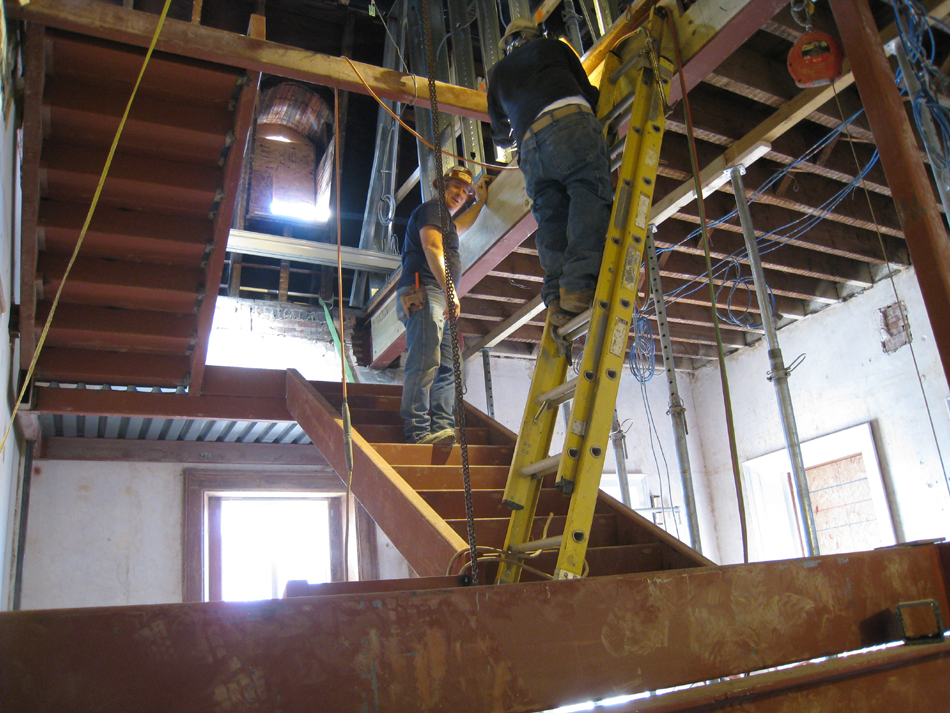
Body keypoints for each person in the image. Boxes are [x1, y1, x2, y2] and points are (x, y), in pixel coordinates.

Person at [487, 19, 613, 327]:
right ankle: (580, 283)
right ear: (536, 36)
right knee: (588, 191)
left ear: (507, 46)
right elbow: (588, 92)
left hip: (530, 146)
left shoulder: (498, 74)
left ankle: (556, 295)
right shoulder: (553, 47)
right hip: (570, 122)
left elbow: (501, 136)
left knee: (551, 213)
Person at [397, 165, 488, 445]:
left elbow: (462, 225)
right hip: (424, 290)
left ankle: (443, 429)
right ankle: (417, 430)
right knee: (425, 360)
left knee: (449, 366)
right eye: (455, 187)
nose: (460, 194)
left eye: (465, 191)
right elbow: (432, 248)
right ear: (441, 186)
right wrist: (450, 291)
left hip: (438, 296)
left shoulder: (445, 221)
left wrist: (481, 200)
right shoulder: (431, 210)